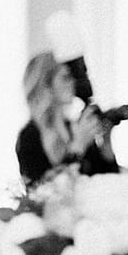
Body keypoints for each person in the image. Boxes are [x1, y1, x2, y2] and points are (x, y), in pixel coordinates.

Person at [16, 51, 119, 185]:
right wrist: (78, 146)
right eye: (65, 77)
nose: (72, 83)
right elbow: (41, 191)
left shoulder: (73, 128)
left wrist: (106, 143)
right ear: (46, 85)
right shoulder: (29, 137)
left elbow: (107, 182)